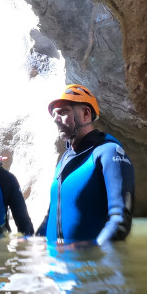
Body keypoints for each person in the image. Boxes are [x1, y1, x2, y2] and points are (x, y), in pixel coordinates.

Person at [36, 84, 135, 245]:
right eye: (54, 115)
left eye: (63, 112)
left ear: (85, 114)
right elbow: (51, 216)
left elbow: (120, 221)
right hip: (55, 265)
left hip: (90, 266)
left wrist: (88, 252)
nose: (55, 119)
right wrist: (34, 243)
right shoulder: (63, 162)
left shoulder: (109, 153)